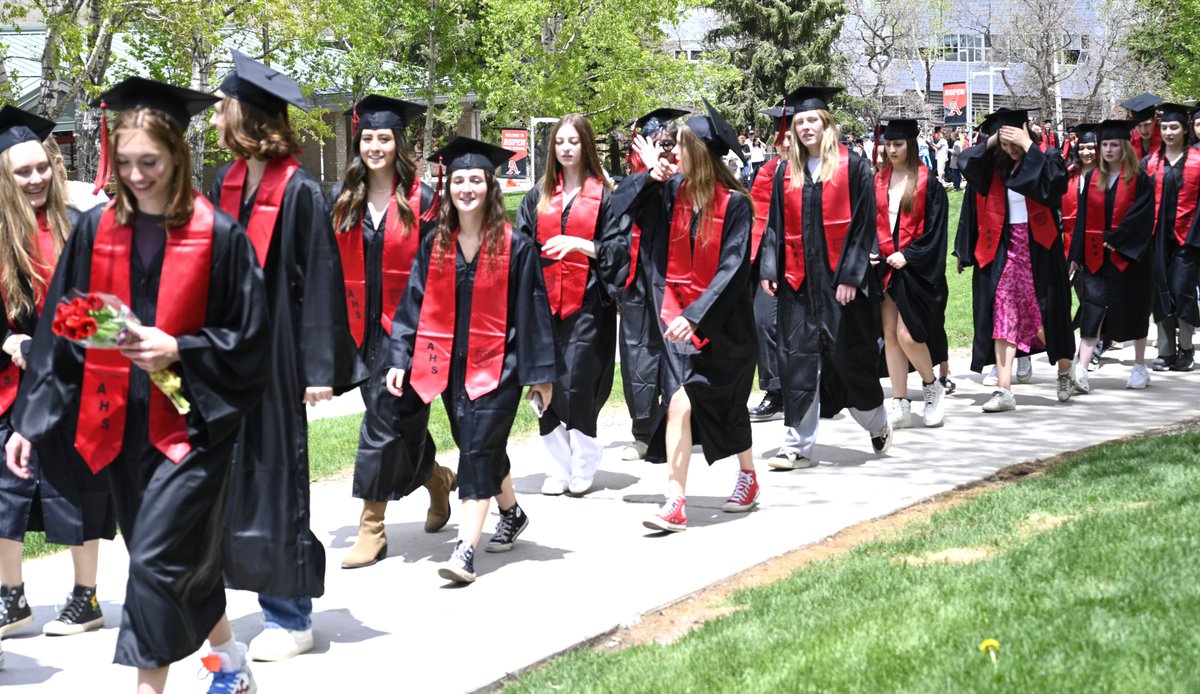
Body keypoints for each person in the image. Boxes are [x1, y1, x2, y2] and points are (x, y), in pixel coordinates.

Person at [6, 77, 269, 694]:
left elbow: (254, 340)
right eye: (123, 162)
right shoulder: (98, 230)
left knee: (153, 561)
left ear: (176, 153)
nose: (136, 174)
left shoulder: (220, 235)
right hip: (118, 423)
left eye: (148, 161)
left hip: (192, 423)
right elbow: (65, 323)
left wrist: (182, 346)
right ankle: (231, 665)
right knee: (177, 558)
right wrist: (31, 420)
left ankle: (148, 688)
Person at [210, 49, 366, 661]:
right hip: (226, 362)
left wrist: (319, 368)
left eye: (223, 107)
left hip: (274, 367)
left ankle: (291, 616)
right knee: (230, 484)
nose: (216, 116)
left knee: (276, 482)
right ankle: (246, 601)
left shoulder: (297, 189)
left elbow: (321, 280)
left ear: (245, 116)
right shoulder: (227, 184)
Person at [385, 137, 555, 582]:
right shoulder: (435, 244)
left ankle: (464, 550)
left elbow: (532, 311)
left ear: (489, 185)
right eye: (458, 179)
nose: (466, 187)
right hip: (447, 365)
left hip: (501, 365)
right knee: (476, 443)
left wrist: (539, 375)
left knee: (477, 450)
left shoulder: (515, 245)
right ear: (450, 187)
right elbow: (412, 305)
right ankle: (511, 512)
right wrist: (400, 357)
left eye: (474, 179)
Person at [0, 107, 115, 639]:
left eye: (41, 166)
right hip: (10, 383)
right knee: (6, 490)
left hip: (74, 380)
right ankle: (12, 598)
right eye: (21, 172)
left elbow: (102, 303)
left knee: (78, 484)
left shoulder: (80, 223)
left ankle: (85, 597)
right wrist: (9, 340)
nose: (35, 178)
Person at [329, 95, 455, 569]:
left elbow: (441, 272)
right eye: (368, 138)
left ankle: (372, 527)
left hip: (411, 332)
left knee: (381, 424)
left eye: (384, 138)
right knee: (398, 426)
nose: (375, 146)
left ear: (398, 143)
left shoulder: (424, 201)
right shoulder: (345, 199)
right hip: (362, 332)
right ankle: (436, 477)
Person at [623, 99, 760, 531]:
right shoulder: (669, 192)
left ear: (699, 153)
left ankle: (749, 475)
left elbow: (734, 267)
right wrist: (648, 177)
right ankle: (675, 501)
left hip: (725, 328)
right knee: (679, 406)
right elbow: (622, 211)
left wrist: (698, 315)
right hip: (676, 323)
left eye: (679, 148)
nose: (672, 155)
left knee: (728, 408)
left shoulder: (736, 204)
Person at [759, 86, 891, 468]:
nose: (805, 127)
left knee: (847, 361)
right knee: (797, 361)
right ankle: (796, 446)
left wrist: (851, 276)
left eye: (812, 120)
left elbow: (866, 225)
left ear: (827, 123)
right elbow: (775, 226)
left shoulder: (853, 167)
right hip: (799, 284)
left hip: (840, 287)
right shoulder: (787, 170)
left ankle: (877, 421)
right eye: (799, 122)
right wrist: (771, 267)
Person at [516, 114, 622, 496]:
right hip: (543, 305)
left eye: (573, 141)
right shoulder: (538, 195)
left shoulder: (604, 195)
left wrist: (579, 245)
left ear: (586, 145)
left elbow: (618, 249)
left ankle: (583, 462)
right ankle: (557, 467)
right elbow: (522, 248)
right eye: (559, 141)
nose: (565, 147)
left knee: (577, 382)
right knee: (544, 382)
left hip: (588, 302)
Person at [954, 108, 1075, 411]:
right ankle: (1004, 390)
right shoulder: (994, 168)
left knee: (1047, 316)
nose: (1009, 150)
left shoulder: (1046, 157)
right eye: (1003, 145)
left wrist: (1029, 144)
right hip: (1004, 249)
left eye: (1013, 143)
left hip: (1040, 248)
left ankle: (1064, 370)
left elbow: (1057, 182)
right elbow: (967, 162)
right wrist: (995, 140)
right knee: (1002, 315)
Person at [615, 108, 687, 461]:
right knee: (637, 352)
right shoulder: (630, 180)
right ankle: (643, 432)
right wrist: (647, 174)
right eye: (653, 143)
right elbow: (621, 209)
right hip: (638, 280)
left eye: (667, 144)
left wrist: (662, 175)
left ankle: (682, 426)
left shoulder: (683, 178)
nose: (661, 151)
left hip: (674, 276)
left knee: (677, 349)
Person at [1069, 120, 1156, 391]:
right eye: (1104, 144)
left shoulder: (1141, 179)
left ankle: (1140, 367)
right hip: (1096, 257)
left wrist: (1117, 240)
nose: (1107, 149)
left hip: (1131, 258)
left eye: (1113, 144)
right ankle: (1081, 369)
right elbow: (1082, 218)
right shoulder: (1093, 178)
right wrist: (1074, 254)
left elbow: (1142, 217)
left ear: (1124, 147)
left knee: (1135, 309)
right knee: (1092, 308)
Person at [874, 118, 948, 430]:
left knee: (907, 334)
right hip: (884, 268)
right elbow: (868, 221)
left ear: (911, 145)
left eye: (898, 144)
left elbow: (936, 232)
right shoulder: (877, 180)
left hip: (915, 270)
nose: (892, 149)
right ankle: (900, 402)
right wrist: (872, 251)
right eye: (889, 144)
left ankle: (932, 387)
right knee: (889, 335)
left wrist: (909, 255)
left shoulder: (928, 183)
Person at [1142, 103, 1200, 372]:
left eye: (1173, 127)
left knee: (1182, 292)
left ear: (1185, 129)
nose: (1168, 132)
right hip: (1157, 240)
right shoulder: (1150, 162)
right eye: (1163, 127)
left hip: (1188, 239)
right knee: (1160, 292)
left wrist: (1193, 236)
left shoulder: (1198, 162)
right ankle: (1165, 351)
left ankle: (1186, 349)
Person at [746, 106, 792, 422]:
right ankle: (776, 391)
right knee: (764, 321)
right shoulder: (768, 172)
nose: (785, 143)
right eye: (781, 137)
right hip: (771, 261)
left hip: (808, 262)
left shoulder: (823, 172)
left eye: (789, 137)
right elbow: (756, 220)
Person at [1062, 123, 1098, 261]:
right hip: (1073, 238)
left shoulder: (1106, 175)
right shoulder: (1070, 175)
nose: (1086, 152)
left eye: (1091, 148)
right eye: (1081, 148)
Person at [1123, 93, 1163, 161]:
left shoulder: (1165, 138)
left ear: (1155, 120)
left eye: (1147, 124)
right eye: (1138, 125)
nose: (1143, 130)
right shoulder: (1128, 139)